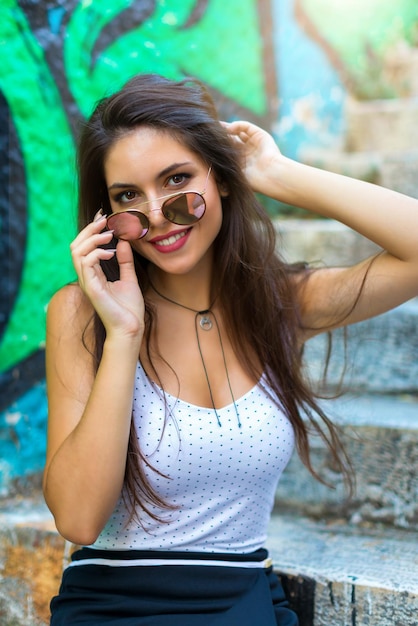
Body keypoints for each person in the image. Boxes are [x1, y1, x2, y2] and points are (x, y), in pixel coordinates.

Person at [43, 73, 418, 625]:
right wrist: (124, 335)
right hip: (116, 607)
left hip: (242, 603)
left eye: (177, 180)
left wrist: (277, 173)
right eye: (128, 197)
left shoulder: (281, 304)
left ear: (220, 178)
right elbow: (77, 519)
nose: (155, 217)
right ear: (108, 218)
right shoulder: (81, 314)